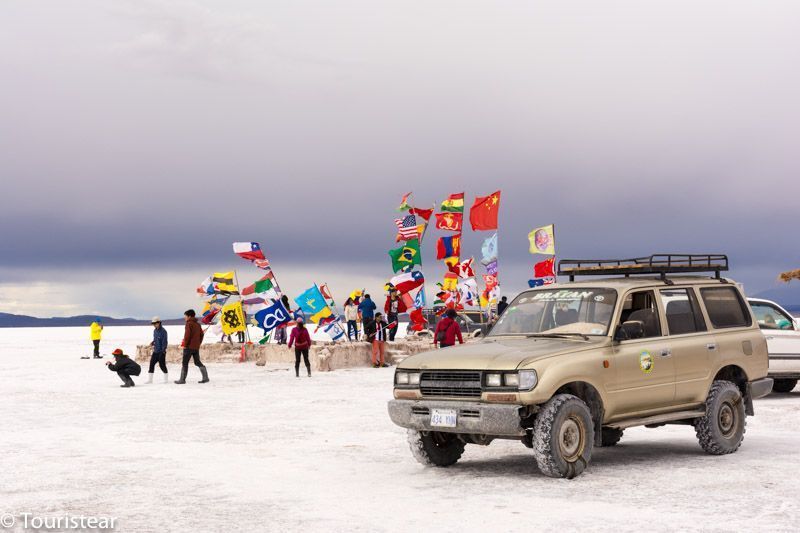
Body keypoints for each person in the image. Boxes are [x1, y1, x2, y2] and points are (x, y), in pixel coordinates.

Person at [175, 309, 209, 384]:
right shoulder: (198, 324)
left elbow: (187, 336)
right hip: (195, 347)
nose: (185, 318)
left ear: (189, 316)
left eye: (185, 316)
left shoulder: (189, 323)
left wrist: (185, 345)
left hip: (189, 347)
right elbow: (201, 335)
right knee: (197, 362)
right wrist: (198, 343)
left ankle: (182, 379)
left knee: (185, 363)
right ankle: (205, 377)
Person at [146, 316, 169, 384]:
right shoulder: (155, 331)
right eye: (153, 323)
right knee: (151, 364)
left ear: (159, 323)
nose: (154, 325)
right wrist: (152, 342)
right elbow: (155, 339)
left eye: (155, 323)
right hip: (155, 351)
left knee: (162, 365)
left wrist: (163, 351)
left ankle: (166, 379)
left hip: (161, 352)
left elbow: (165, 342)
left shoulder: (164, 331)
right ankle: (150, 380)